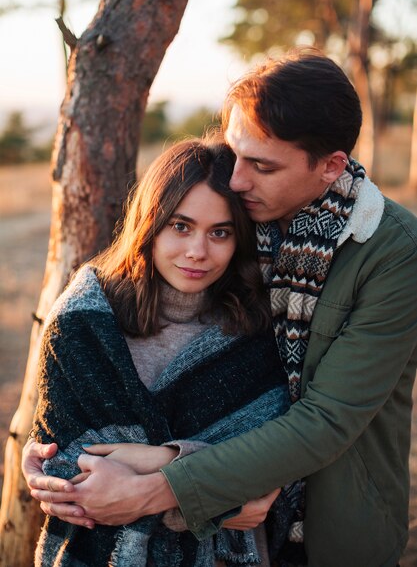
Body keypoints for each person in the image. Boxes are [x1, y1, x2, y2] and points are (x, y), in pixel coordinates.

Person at [24, 49, 417, 567]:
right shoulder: (243, 212)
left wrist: (158, 482)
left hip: (328, 524)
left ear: (330, 167)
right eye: (236, 155)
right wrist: (51, 445)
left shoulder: (391, 253)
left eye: (261, 165)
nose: (235, 180)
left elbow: (325, 420)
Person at [27, 137, 302, 567]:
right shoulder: (84, 323)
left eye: (220, 233)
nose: (197, 251)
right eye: (180, 226)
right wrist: (209, 497)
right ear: (149, 223)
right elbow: (65, 476)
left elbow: (265, 487)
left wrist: (158, 470)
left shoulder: (255, 334)